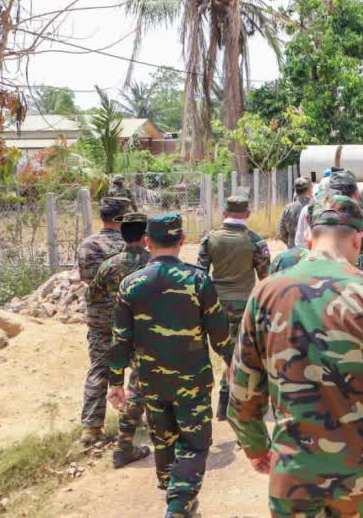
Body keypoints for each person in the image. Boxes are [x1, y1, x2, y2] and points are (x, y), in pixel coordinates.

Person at [228, 195, 363, 518]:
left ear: (309, 235)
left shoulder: (265, 292)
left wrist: (254, 445)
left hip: (293, 477)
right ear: (359, 239)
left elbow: (242, 387)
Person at [108, 213, 231, 518]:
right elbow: (219, 331)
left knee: (163, 440)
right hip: (193, 380)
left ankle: (175, 496)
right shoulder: (198, 280)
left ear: (147, 241)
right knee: (195, 444)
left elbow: (120, 339)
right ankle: (178, 505)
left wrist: (116, 382)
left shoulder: (130, 284)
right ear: (182, 241)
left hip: (151, 380)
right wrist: (232, 361)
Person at [197, 195, 271, 421]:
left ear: (224, 213)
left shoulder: (210, 239)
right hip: (243, 306)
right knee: (238, 354)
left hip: (214, 304)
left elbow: (200, 275)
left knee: (207, 352)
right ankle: (228, 401)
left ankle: (209, 404)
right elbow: (266, 277)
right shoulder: (255, 241)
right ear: (247, 214)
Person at [86, 212, 150, 468]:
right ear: (146, 236)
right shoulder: (153, 262)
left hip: (119, 331)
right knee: (144, 380)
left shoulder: (109, 265)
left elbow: (92, 295)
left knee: (115, 378)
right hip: (148, 332)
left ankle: (103, 433)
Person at [78, 195, 132, 446]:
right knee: (140, 368)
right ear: (123, 217)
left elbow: (87, 279)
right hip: (129, 317)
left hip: (99, 318)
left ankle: (91, 428)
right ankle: (134, 418)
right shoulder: (131, 245)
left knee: (99, 367)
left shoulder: (88, 245)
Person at [276, 177, 312, 248]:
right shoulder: (315, 207)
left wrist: (290, 242)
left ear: (296, 191)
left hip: (293, 249)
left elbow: (281, 231)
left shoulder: (288, 208)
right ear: (310, 190)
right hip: (311, 249)